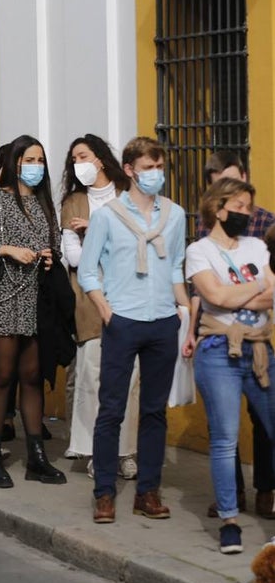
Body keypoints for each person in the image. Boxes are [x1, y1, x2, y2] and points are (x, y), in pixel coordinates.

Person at [78, 136, 189, 523]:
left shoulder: (174, 215)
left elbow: (176, 265)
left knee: (155, 411)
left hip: (162, 320)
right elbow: (88, 270)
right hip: (122, 320)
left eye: (159, 168)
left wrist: (183, 309)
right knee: (112, 409)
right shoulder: (108, 216)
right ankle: (104, 493)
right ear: (129, 170)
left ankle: (148, 492)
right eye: (147, 168)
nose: (154, 175)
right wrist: (106, 310)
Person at [0, 135, 66, 488]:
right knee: (2, 378)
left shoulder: (44, 204)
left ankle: (36, 456)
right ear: (15, 163)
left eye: (40, 160)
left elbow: (53, 244)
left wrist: (50, 256)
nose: (36, 166)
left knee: (33, 377)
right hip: (3, 297)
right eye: (29, 159)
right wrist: (8, 249)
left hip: (35, 300)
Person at [186, 177, 275, 553]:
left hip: (260, 351)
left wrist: (240, 296)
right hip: (218, 351)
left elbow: (271, 293)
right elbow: (215, 295)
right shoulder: (199, 250)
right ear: (218, 208)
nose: (245, 214)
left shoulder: (256, 245)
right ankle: (229, 522)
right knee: (225, 440)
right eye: (238, 207)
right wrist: (255, 290)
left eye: (248, 208)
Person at [59, 134, 139, 479]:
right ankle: (96, 450)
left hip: (130, 298)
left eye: (84, 156)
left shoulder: (128, 196)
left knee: (129, 379)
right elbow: (74, 256)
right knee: (92, 377)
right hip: (89, 301)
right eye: (74, 158)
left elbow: (138, 247)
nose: (79, 163)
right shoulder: (73, 202)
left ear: (101, 159)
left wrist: (94, 230)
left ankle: (127, 452)